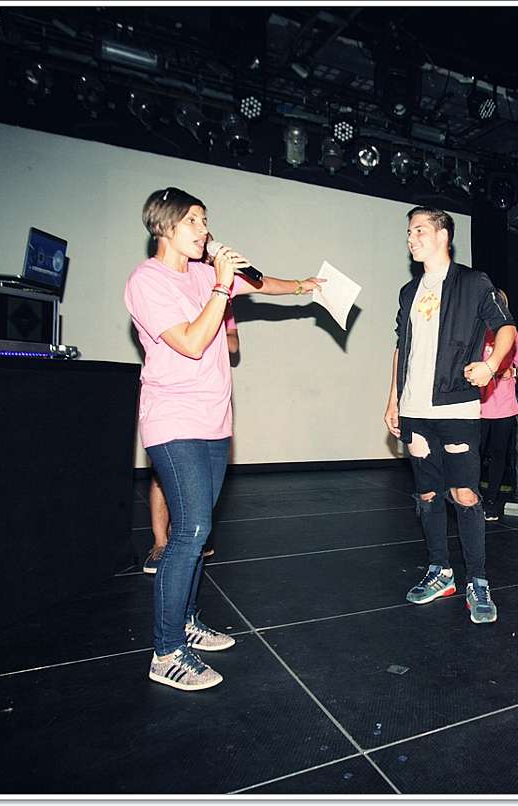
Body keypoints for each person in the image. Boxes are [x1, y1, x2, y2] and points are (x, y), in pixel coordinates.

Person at [125, 186, 323, 690]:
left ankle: (187, 621)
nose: (204, 230)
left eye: (205, 220)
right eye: (194, 221)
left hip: (214, 421)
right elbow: (192, 343)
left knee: (200, 530)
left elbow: (261, 283)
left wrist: (304, 285)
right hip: (174, 420)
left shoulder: (201, 273)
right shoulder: (147, 281)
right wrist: (219, 286)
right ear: (165, 225)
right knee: (190, 531)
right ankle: (166, 651)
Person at [384, 206, 515, 625]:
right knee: (427, 495)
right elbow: (401, 348)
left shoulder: (473, 282)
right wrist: (393, 399)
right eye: (409, 232)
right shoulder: (409, 291)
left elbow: (507, 328)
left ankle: (477, 579)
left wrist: (491, 365)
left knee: (464, 494)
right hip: (414, 409)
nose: (411, 238)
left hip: (456, 406)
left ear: (443, 236)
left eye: (419, 230)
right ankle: (440, 572)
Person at [143, 302, 239, 574]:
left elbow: (233, 345)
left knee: (198, 494)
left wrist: (206, 332)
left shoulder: (222, 304)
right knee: (161, 476)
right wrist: (197, 335)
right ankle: (160, 543)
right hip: (174, 402)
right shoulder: (168, 296)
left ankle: (183, 537)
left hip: (208, 405)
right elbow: (184, 340)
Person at [479, 289, 518, 522]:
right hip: (477, 405)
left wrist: (511, 371)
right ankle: (471, 498)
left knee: (498, 454)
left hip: (504, 406)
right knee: (474, 453)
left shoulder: (514, 335)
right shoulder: (477, 331)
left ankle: (491, 501)